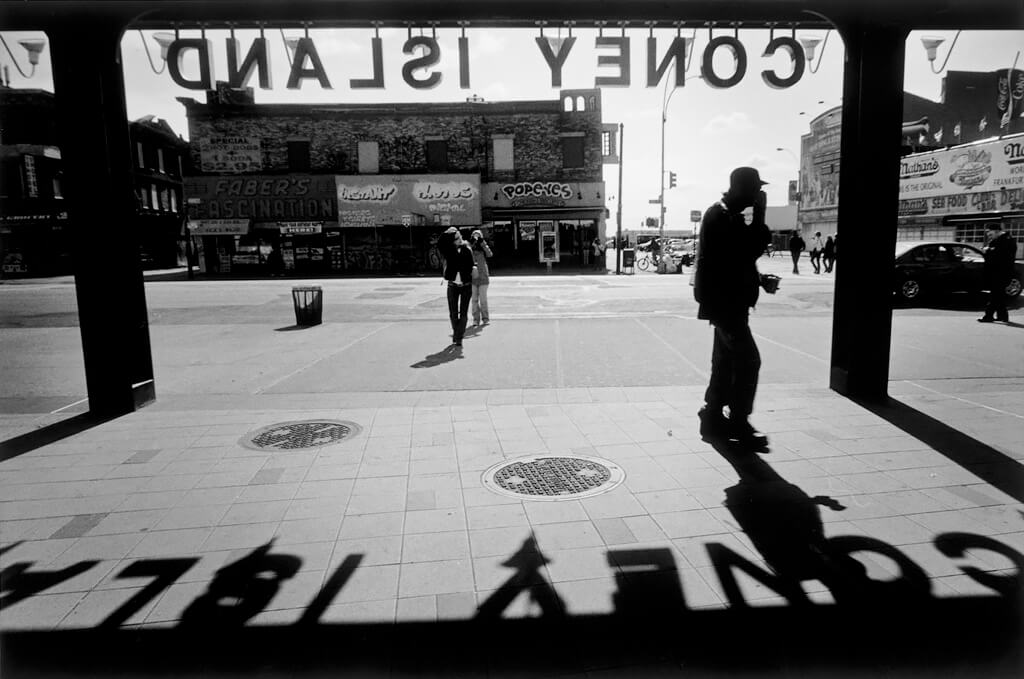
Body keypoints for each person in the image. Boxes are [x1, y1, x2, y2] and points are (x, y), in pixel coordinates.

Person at [693, 167, 772, 448]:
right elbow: (748, 249)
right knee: (749, 361)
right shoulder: (721, 216)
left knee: (725, 362)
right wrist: (761, 215)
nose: (757, 195)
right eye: (754, 190)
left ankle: (713, 414)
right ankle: (737, 419)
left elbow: (737, 260)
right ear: (741, 189)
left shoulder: (726, 215)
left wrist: (760, 279)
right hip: (725, 305)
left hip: (728, 303)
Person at [438, 227, 477, 346]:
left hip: (466, 285)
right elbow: (440, 243)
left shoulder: (467, 249)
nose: (459, 239)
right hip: (452, 285)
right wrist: (450, 231)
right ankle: (457, 333)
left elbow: (471, 265)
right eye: (456, 238)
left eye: (459, 236)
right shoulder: (448, 250)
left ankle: (458, 336)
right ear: (452, 240)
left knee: (463, 313)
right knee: (453, 313)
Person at [978, 223, 1017, 323]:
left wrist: (989, 250)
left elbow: (1002, 255)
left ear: (996, 230)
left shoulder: (1007, 240)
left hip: (1001, 273)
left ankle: (988, 316)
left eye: (989, 232)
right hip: (996, 272)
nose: (987, 235)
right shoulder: (997, 240)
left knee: (995, 295)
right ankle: (1002, 316)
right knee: (999, 295)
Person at [469, 229, 493, 326]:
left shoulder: (483, 247)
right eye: (475, 235)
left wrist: (482, 243)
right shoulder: (469, 248)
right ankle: (475, 319)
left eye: (478, 235)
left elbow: (490, 254)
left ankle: (485, 318)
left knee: (483, 299)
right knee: (474, 299)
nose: (476, 238)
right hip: (473, 276)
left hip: (483, 275)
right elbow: (465, 253)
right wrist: (471, 243)